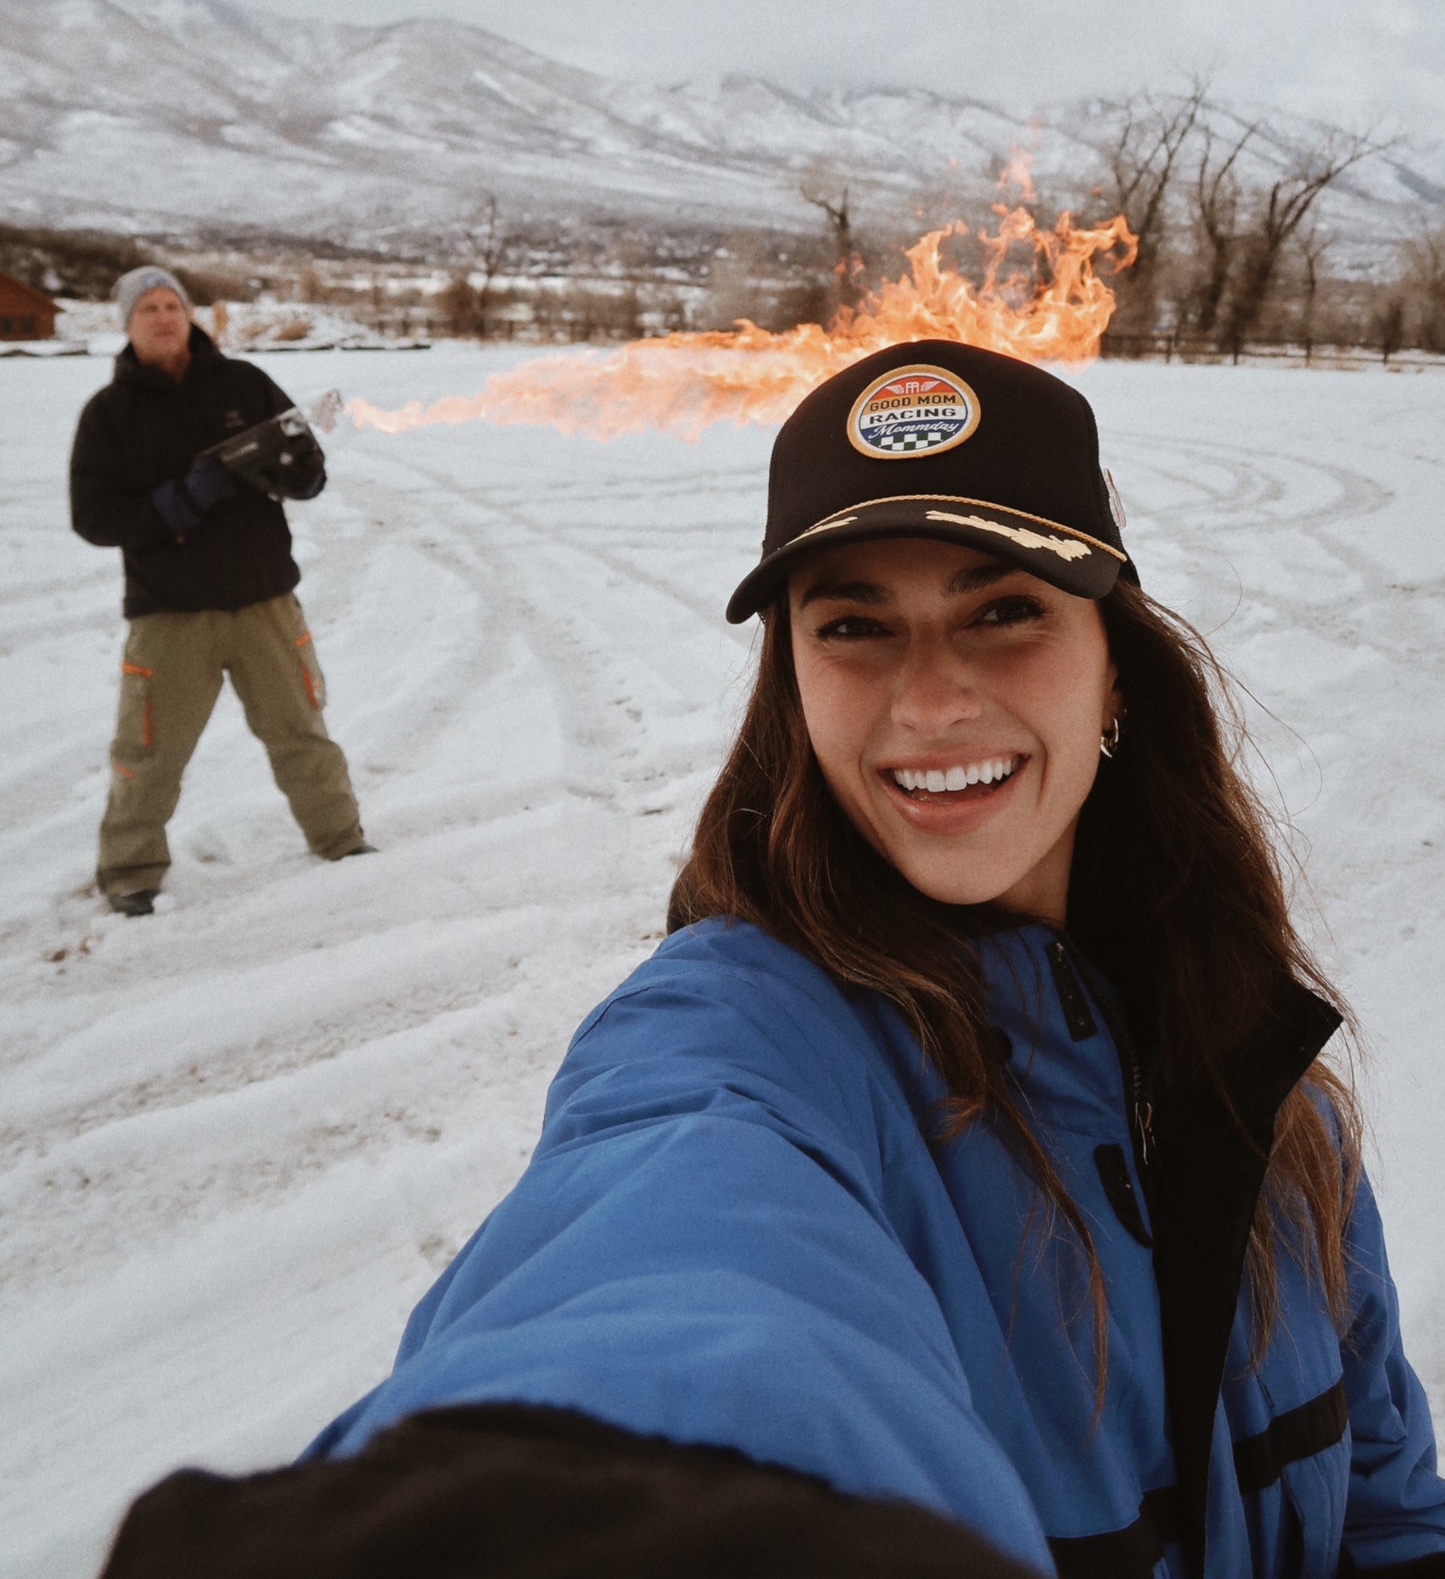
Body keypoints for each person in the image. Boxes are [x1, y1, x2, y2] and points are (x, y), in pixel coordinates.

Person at [100, 340, 1442, 1577]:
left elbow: (1386, 1505)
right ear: (791, 685)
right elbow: (670, 1246)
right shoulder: (743, 1033)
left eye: (1003, 611)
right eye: (851, 623)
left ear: (1116, 667)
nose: (927, 700)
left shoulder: (1260, 1070)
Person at [71, 266, 372, 916]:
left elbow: (310, 475)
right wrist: (177, 502)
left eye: (172, 305)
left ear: (189, 315)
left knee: (301, 733)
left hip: (262, 600)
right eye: (147, 308)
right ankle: (129, 871)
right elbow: (92, 517)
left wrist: (295, 468)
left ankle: (341, 841)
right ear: (127, 323)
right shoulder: (109, 414)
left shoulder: (244, 384)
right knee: (148, 752)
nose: (163, 317)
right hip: (170, 614)